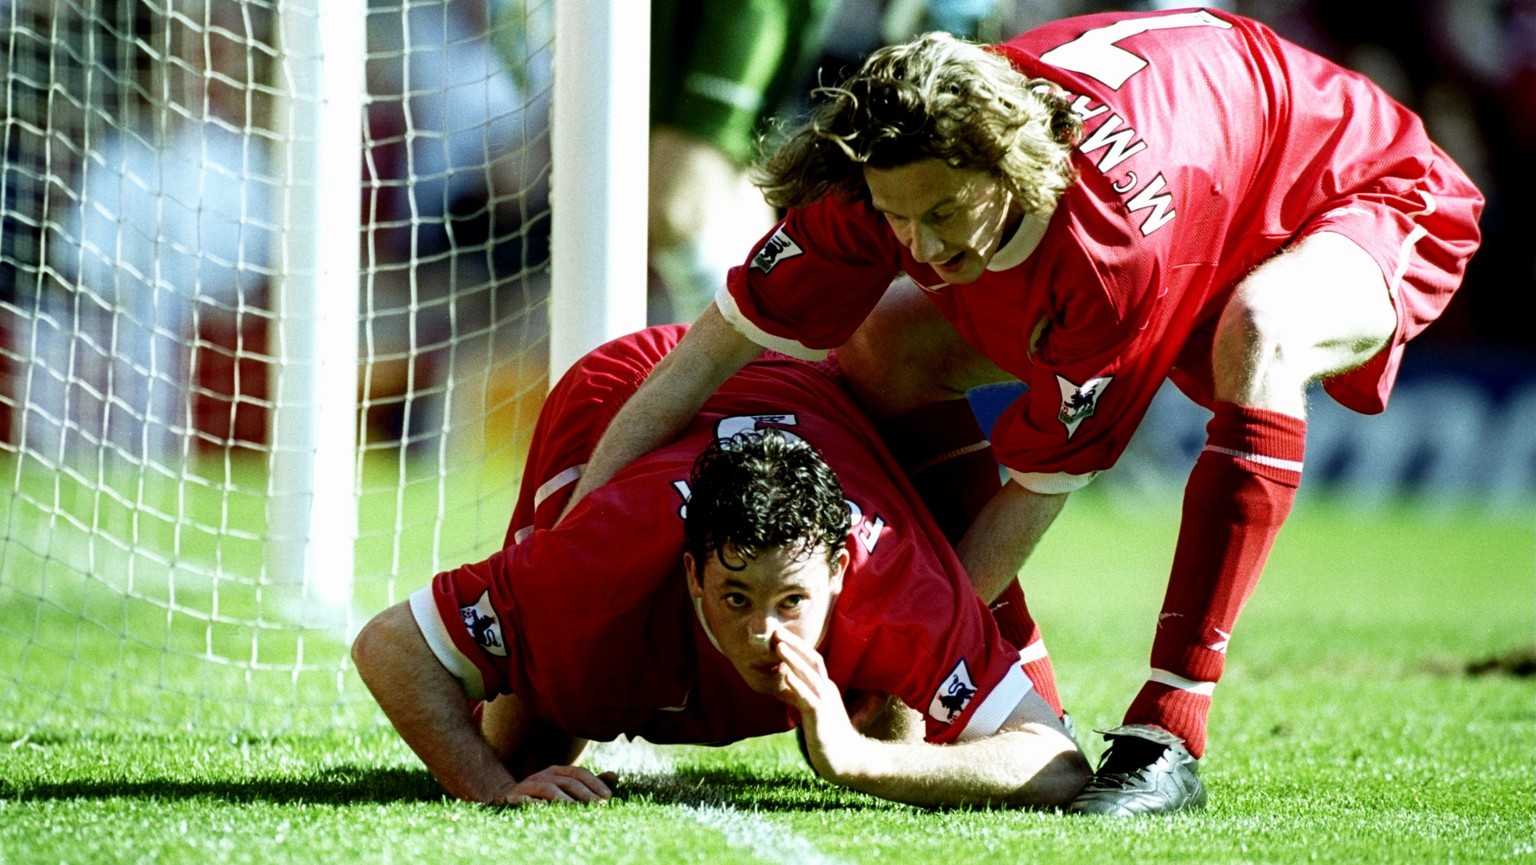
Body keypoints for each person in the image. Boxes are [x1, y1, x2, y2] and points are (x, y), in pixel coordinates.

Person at [560, 8, 1485, 816]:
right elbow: (696, 364)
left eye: (941, 213)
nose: (917, 246)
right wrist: (568, 557)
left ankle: (1170, 728)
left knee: (1261, 331)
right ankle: (1005, 671)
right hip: (1206, 165)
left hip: (1358, 186)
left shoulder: (1106, 256)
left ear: (1004, 168)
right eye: (896, 219)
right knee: (886, 345)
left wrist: (895, 668)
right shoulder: (874, 183)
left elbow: (1031, 498)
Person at [351, 325, 1088, 808]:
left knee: (907, 733)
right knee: (528, 744)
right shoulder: (597, 562)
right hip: (627, 390)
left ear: (839, 571)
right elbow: (388, 646)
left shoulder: (899, 584)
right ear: (691, 570)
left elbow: (1056, 763)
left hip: (816, 397)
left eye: (790, 601)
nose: (765, 632)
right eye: (735, 596)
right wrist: (489, 789)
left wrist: (862, 760)